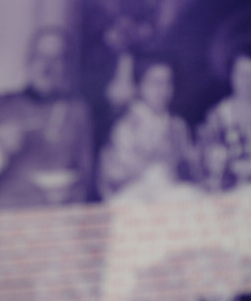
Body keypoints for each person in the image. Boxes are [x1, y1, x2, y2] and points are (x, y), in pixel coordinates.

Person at [0, 27, 93, 210]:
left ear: (68, 67)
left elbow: (86, 182)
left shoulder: (76, 112)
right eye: (40, 57)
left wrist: (72, 194)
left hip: (50, 222)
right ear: (28, 62)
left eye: (57, 58)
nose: (47, 67)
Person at [98, 58, 198, 200]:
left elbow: (187, 168)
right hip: (135, 196)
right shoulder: (125, 126)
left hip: (170, 194)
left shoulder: (177, 125)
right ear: (140, 86)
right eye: (155, 83)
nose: (163, 90)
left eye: (168, 83)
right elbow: (113, 176)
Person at [197, 44, 251, 192]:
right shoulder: (218, 115)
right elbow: (205, 160)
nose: (248, 82)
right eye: (243, 75)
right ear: (232, 76)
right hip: (229, 193)